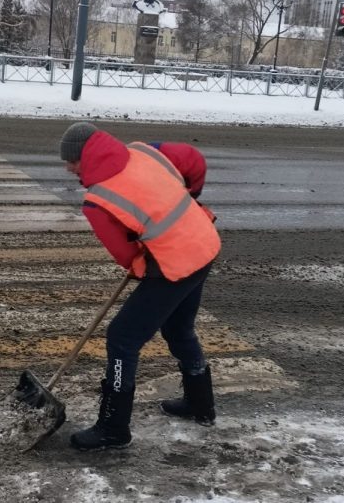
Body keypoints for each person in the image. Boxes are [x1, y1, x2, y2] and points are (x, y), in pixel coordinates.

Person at [59, 122, 221, 451]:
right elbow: (191, 159)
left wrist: (141, 259)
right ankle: (200, 404)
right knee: (178, 329)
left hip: (177, 263)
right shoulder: (143, 151)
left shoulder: (98, 201)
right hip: (205, 243)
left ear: (83, 158)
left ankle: (113, 427)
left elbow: (126, 255)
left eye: (70, 161)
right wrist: (190, 199)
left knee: (122, 337)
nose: (68, 168)